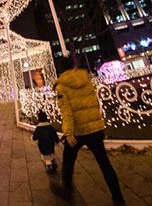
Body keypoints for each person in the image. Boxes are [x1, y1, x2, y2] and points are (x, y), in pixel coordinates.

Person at [50, 55, 125, 205]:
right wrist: (99, 124)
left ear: (60, 69)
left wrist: (68, 132)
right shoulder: (85, 79)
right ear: (72, 66)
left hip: (78, 132)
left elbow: (66, 112)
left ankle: (67, 190)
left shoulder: (61, 86)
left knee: (68, 160)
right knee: (105, 164)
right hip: (94, 129)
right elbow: (94, 103)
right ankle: (118, 199)